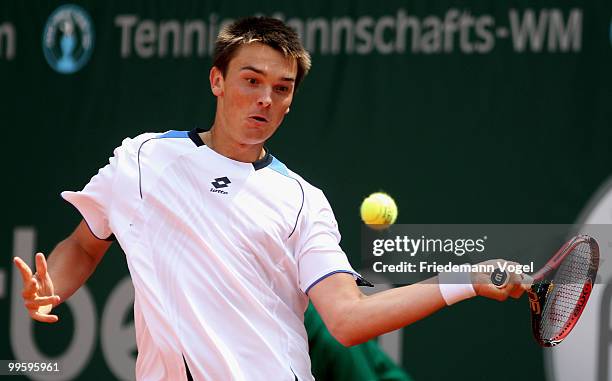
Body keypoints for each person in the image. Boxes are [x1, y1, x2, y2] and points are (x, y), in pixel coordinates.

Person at [13, 16, 529, 381]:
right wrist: (50, 289)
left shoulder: (302, 201)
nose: (266, 98)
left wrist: (464, 278)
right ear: (218, 81)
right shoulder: (143, 161)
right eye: (252, 80)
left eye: (282, 89)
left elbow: (346, 320)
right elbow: (84, 246)